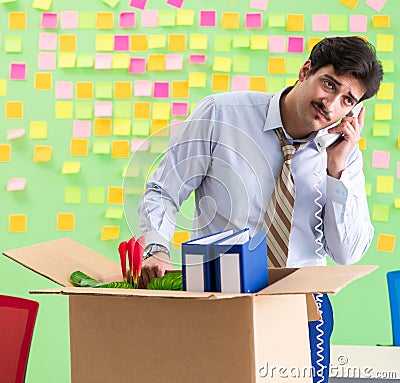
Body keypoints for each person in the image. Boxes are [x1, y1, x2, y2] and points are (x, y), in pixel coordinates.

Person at [137, 36, 383, 382]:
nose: (331, 105)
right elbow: (164, 188)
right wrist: (158, 248)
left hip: (301, 305)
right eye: (329, 85)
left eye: (347, 100)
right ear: (306, 70)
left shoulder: (342, 155)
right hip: (218, 296)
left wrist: (337, 171)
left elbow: (348, 253)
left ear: (354, 112)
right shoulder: (222, 114)